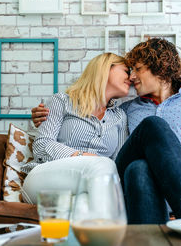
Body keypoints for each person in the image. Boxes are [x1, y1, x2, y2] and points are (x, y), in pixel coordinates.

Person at [32, 38, 181, 224]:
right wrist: (41, 116)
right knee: (152, 126)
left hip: (159, 189)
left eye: (138, 69)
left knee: (139, 167)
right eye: (128, 71)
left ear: (160, 67)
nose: (132, 77)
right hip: (119, 185)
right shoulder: (127, 109)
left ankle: (152, 236)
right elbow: (48, 141)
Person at [21, 53, 130, 204]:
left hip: (90, 185)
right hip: (46, 177)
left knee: (84, 206)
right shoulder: (62, 101)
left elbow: (119, 163)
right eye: (126, 71)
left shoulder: (120, 117)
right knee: (105, 165)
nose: (130, 78)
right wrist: (83, 156)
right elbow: (42, 145)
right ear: (106, 68)